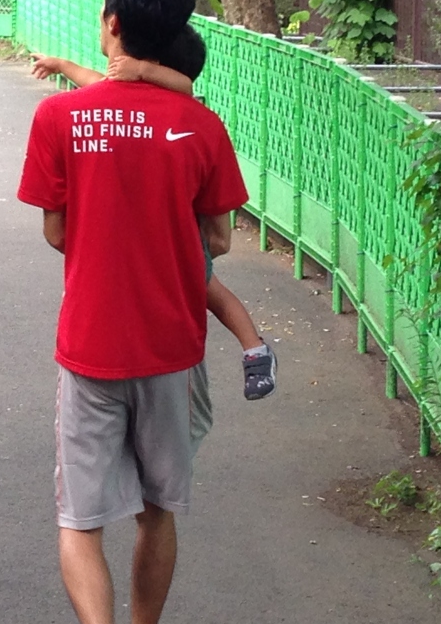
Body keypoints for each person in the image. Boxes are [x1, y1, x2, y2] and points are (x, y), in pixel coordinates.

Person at [17, 0, 249, 624]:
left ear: (112, 23)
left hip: (90, 344)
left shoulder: (59, 117)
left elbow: (56, 231)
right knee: (158, 511)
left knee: (79, 520)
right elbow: (218, 239)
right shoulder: (202, 126)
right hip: (171, 348)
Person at [28, 28, 276, 401]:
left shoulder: (184, 107)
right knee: (211, 294)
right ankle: (254, 347)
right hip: (172, 251)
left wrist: (142, 69)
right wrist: (61, 64)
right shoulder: (183, 116)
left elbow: (181, 84)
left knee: (215, 294)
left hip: (175, 249)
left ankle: (255, 348)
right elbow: (95, 82)